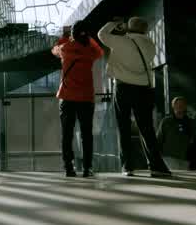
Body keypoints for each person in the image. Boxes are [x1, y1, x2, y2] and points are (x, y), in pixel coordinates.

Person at [97, 16, 172, 177]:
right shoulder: (150, 44)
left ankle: (127, 166)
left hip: (123, 87)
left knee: (123, 127)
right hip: (144, 89)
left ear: (128, 28)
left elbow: (101, 34)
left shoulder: (122, 41)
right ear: (144, 29)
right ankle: (156, 166)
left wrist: (115, 23)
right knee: (147, 128)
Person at [52, 21, 103, 177]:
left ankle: (69, 167)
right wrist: (88, 37)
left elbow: (54, 50)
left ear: (72, 34)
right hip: (86, 97)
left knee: (67, 134)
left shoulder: (65, 48)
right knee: (87, 134)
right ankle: (88, 168)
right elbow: (100, 52)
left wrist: (66, 36)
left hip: (67, 97)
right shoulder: (91, 51)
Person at [157, 96, 196, 171]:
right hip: (169, 157)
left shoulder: (191, 122)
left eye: (182, 104)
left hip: (185, 159)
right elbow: (159, 138)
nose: (180, 106)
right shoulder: (166, 122)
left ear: (185, 107)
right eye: (177, 104)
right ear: (173, 106)